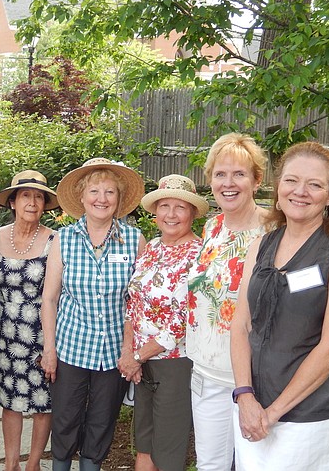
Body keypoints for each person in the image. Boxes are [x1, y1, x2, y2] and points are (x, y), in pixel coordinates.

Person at [230, 142, 329, 469]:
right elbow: (240, 325)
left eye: (315, 184)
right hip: (252, 407)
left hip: (306, 417)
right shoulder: (261, 245)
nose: (300, 191)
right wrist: (245, 397)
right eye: (291, 180)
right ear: (278, 188)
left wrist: (272, 413)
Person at [41, 158, 146, 471]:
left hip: (115, 350)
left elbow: (138, 300)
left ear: (118, 199)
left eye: (110, 192)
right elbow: (49, 299)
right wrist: (49, 348)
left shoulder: (134, 240)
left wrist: (134, 353)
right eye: (95, 191)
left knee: (102, 420)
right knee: (64, 418)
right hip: (71, 346)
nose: (102, 198)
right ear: (83, 197)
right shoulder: (64, 240)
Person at [185, 133, 268, 470]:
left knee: (256, 465)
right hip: (205, 371)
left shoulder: (273, 231)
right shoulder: (212, 226)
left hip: (252, 378)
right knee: (211, 465)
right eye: (220, 174)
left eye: (239, 174)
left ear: (256, 180)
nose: (228, 183)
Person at [119, 175, 209, 471]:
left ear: (192, 213)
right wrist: (129, 351)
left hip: (173, 362)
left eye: (180, 207)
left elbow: (183, 319)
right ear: (155, 212)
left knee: (168, 448)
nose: (171, 214)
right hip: (142, 361)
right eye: (165, 206)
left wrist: (136, 358)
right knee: (144, 443)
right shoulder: (152, 248)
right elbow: (134, 302)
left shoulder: (199, 255)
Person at [0, 170, 60, 471]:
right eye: (26, 195)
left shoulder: (57, 240)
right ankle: (12, 464)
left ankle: (34, 463)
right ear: (13, 202)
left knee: (44, 401)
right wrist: (2, 294)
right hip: (6, 330)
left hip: (43, 330)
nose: (32, 202)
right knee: (9, 397)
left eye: (39, 197)